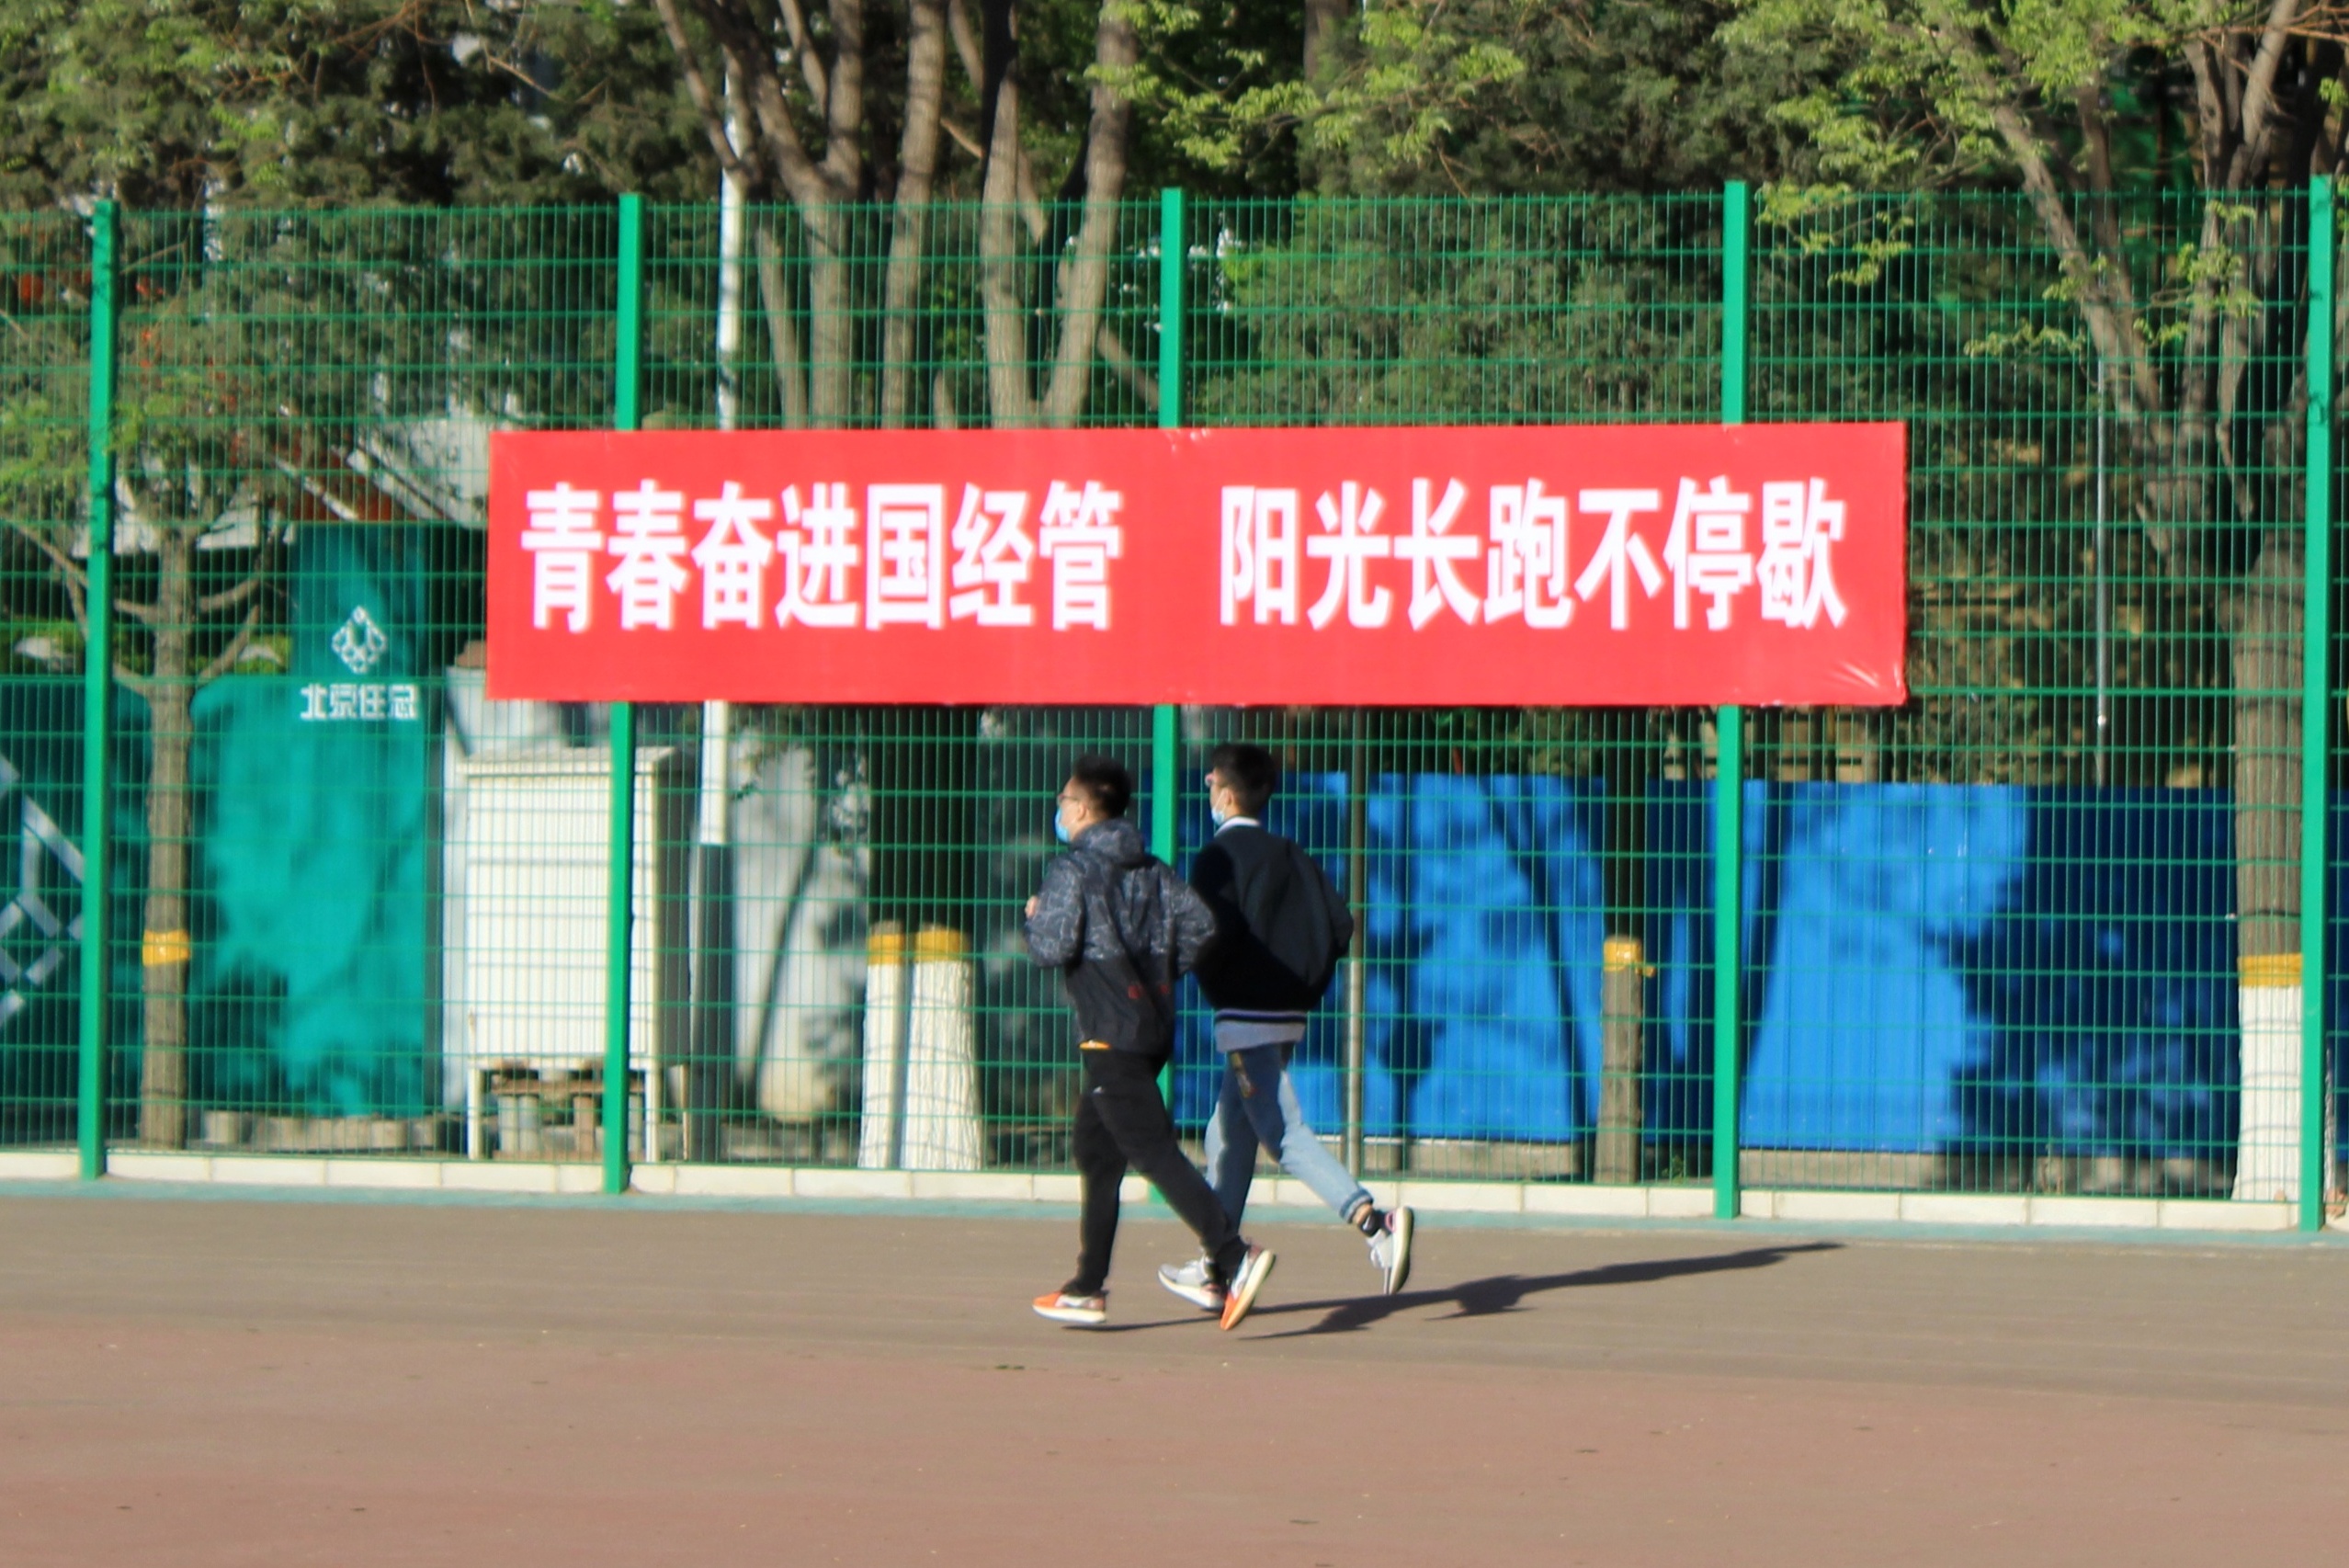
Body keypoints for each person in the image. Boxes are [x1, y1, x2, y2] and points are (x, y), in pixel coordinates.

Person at [1024, 754, 1277, 1331]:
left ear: (1081, 808)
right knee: (1097, 1151)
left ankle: (1235, 1256)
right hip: (1151, 1025)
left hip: (1108, 1033)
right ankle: (1086, 1287)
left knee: (1152, 1150)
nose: (1059, 810)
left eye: (1063, 801)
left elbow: (1052, 948)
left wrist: (1035, 917)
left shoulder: (1072, 870)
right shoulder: (1152, 868)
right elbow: (1202, 927)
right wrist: (1157, 972)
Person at [1158, 743, 1413, 1313]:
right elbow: (1340, 924)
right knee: (1228, 1134)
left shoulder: (1217, 858)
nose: (1207, 792)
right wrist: (1300, 985)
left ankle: (1375, 1222)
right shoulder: (1289, 852)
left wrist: (1191, 974)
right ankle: (1216, 1268)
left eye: (1210, 785)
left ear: (1227, 795)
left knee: (1280, 1132)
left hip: (1246, 1019)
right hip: (1284, 1017)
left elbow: (1203, 933)